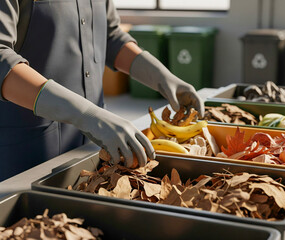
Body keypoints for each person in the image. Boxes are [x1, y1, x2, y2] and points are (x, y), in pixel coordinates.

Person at [0, 0, 204, 181]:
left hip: (94, 145)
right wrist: (86, 114)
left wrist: (161, 77)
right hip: (29, 152)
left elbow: (110, 36)